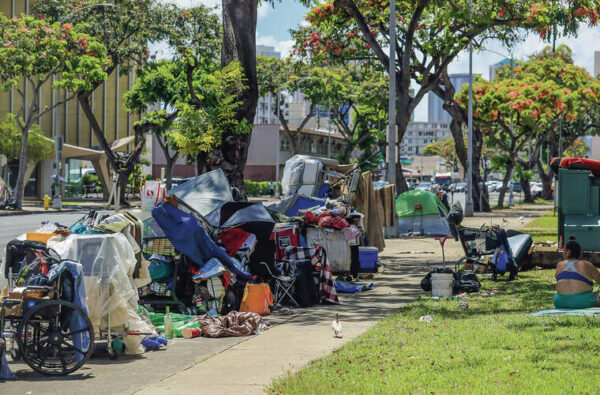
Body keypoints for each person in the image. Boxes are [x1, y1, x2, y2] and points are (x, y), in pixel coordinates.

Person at [554, 239, 600, 309]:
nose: (562, 253)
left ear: (568, 252)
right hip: (582, 301)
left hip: (560, 302)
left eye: (564, 251)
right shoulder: (586, 264)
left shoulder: (560, 265)